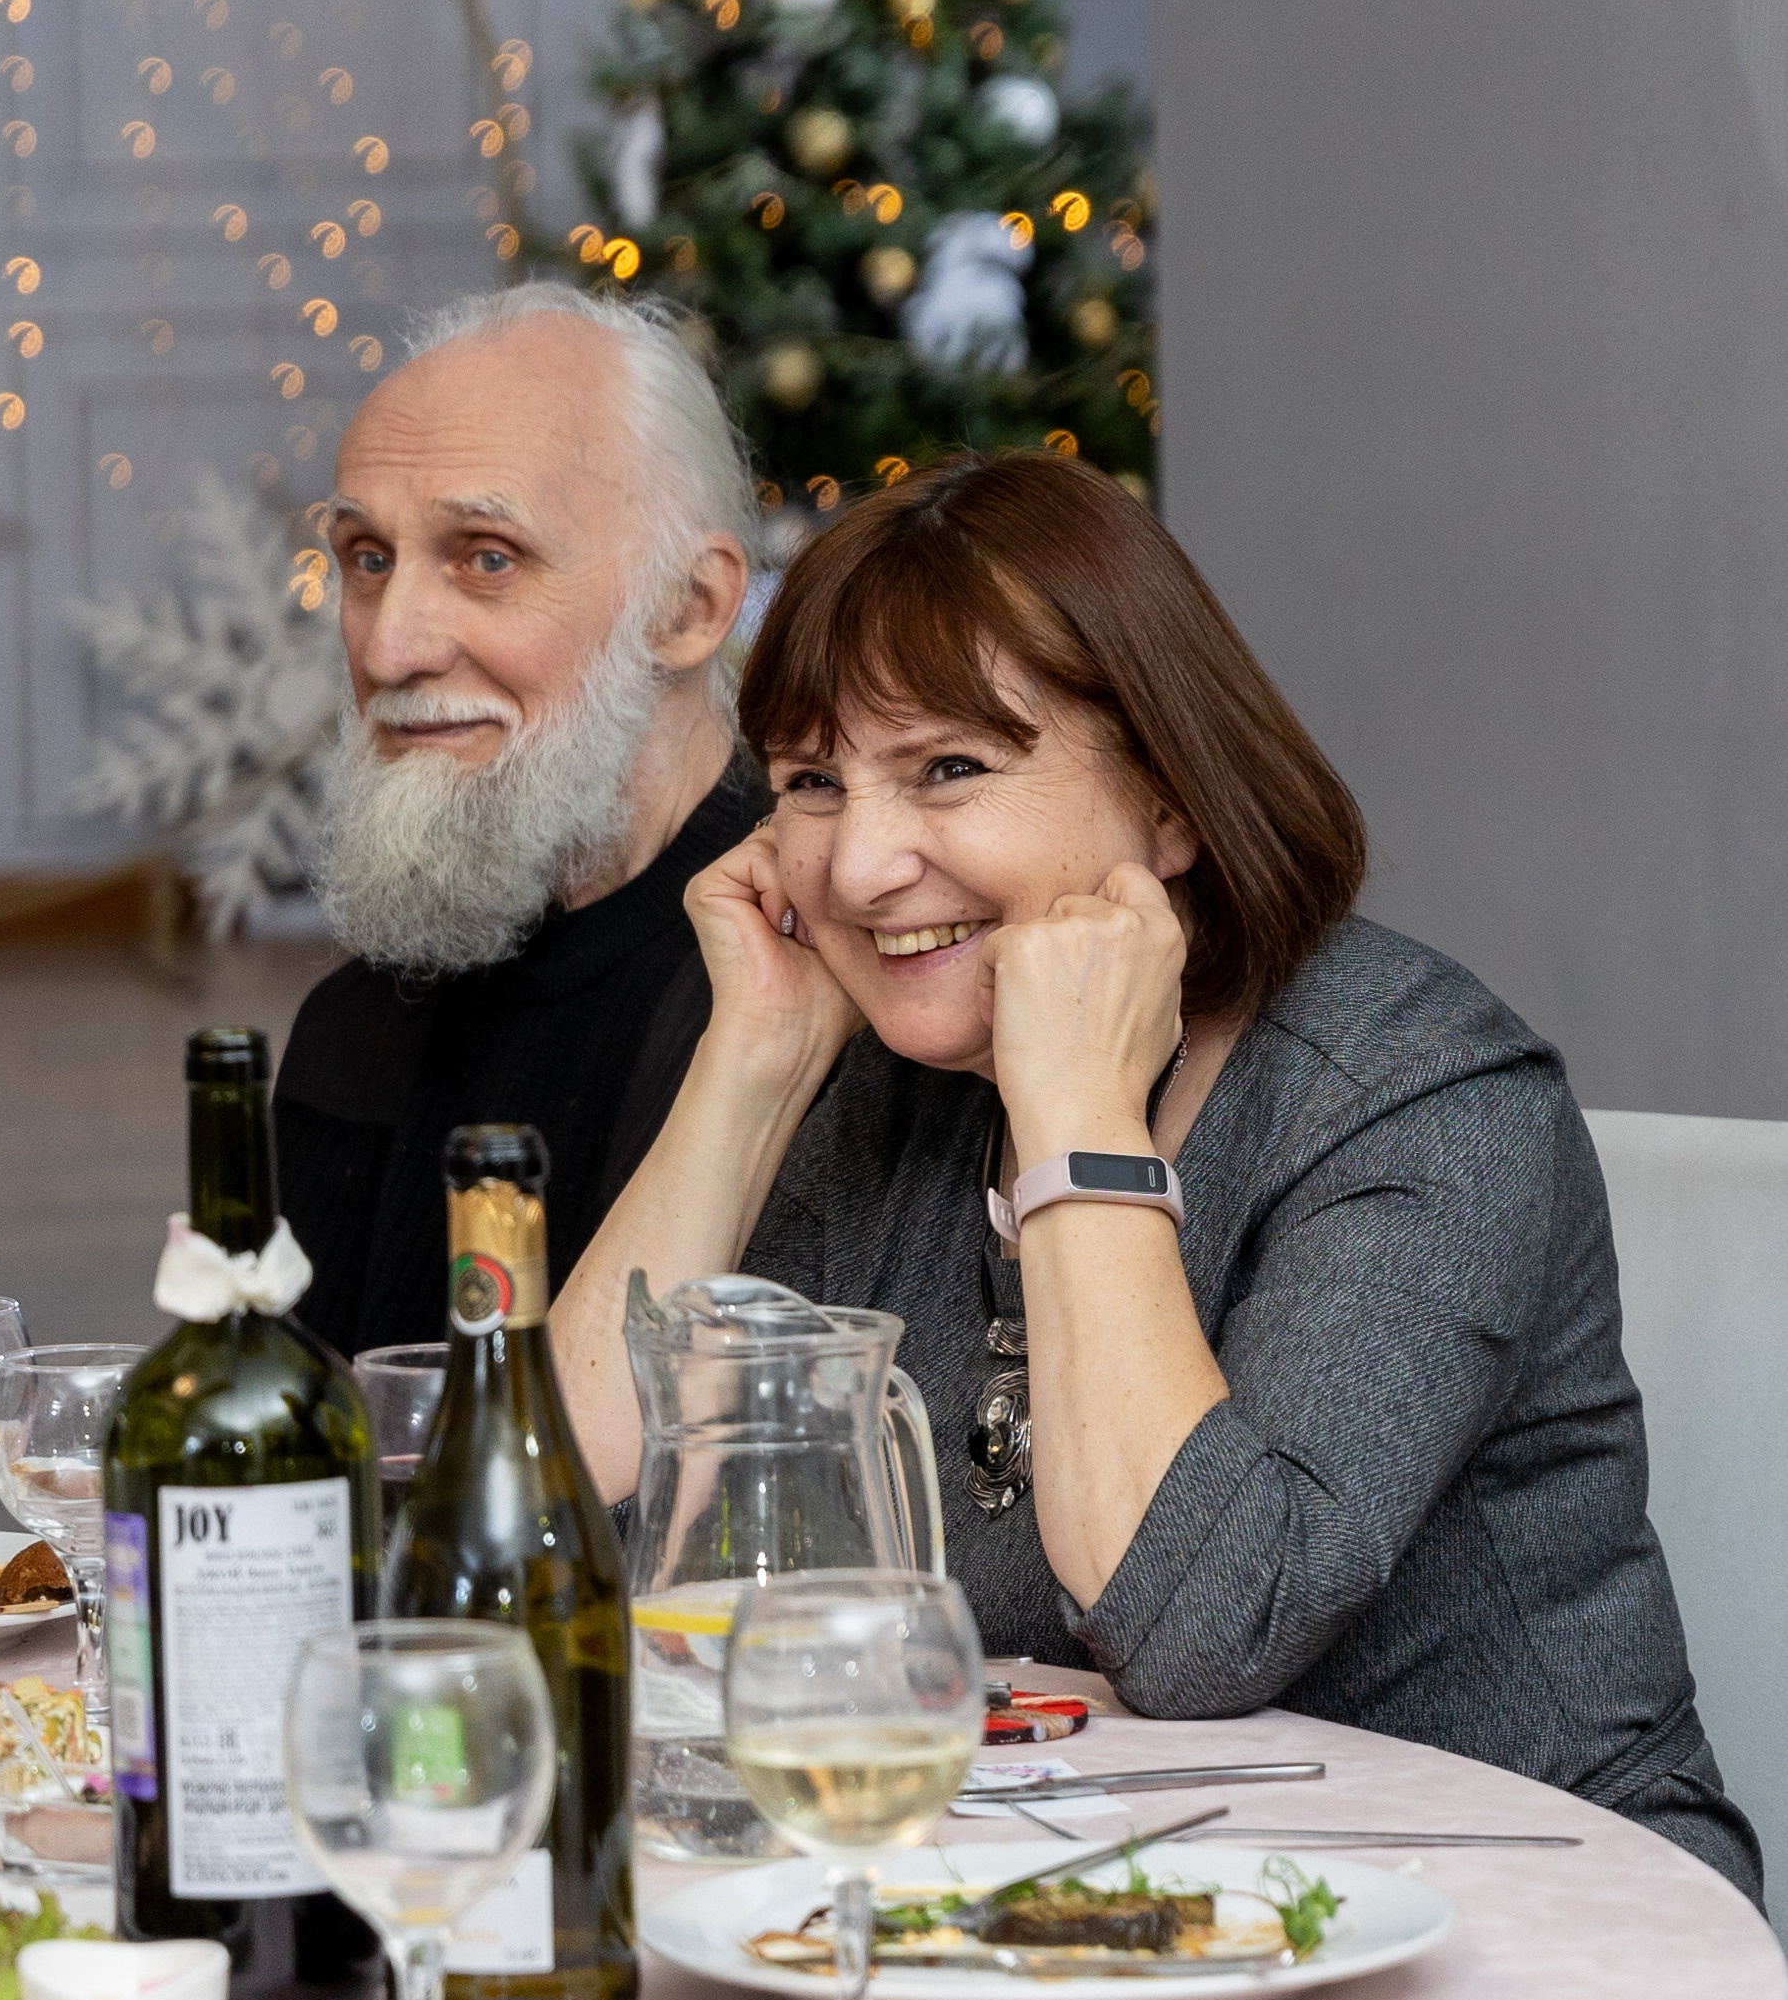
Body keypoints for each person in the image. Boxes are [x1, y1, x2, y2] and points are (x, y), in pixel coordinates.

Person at [556, 449, 1763, 1903]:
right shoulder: (882, 1094)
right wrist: (753, 1057)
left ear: (1169, 798)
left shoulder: (1418, 1092)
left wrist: (1075, 1110)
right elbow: (563, 1533)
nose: (860, 865)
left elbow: (1203, 1627)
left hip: (1531, 1912)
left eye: (948, 768)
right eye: (813, 783)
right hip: (1085, 1907)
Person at [274, 281, 762, 1349]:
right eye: (368, 559)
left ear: (690, 608)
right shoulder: (355, 1026)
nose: (390, 648)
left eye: (487, 558)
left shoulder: (818, 990)